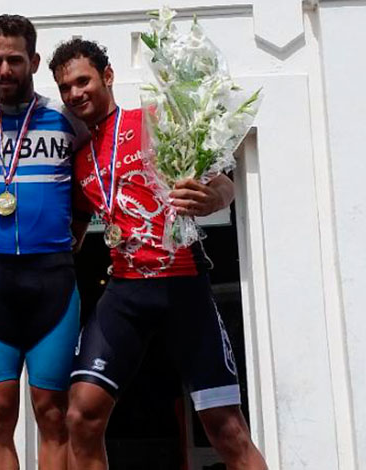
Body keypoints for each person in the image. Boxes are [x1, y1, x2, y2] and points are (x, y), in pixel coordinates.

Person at [48, 39, 269, 470]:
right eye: (65, 87)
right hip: (126, 293)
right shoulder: (77, 158)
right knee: (81, 415)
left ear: (107, 76)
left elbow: (222, 181)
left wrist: (209, 199)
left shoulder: (156, 120)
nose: (75, 94)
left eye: (83, 81)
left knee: (226, 428)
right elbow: (68, 233)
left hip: (183, 287)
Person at [0, 15, 89, 469]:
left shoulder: (67, 120)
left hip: (52, 281)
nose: (4, 70)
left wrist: (81, 228)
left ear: (33, 60)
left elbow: (96, 178)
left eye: (14, 60)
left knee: (53, 415)